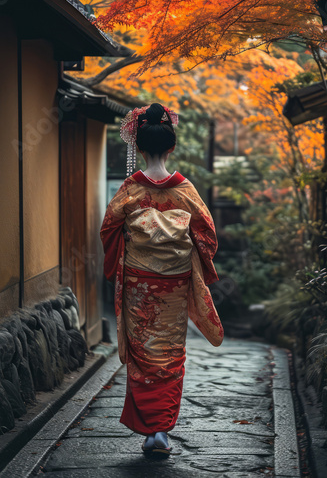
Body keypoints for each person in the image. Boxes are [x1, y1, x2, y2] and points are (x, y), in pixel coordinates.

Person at [100, 103, 224, 455]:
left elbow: (108, 230)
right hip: (174, 284)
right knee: (170, 352)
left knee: (143, 354)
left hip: (139, 284)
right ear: (171, 146)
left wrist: (131, 243)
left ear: (137, 147)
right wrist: (186, 255)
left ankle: (149, 429)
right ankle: (161, 430)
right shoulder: (185, 190)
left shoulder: (130, 189)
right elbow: (207, 236)